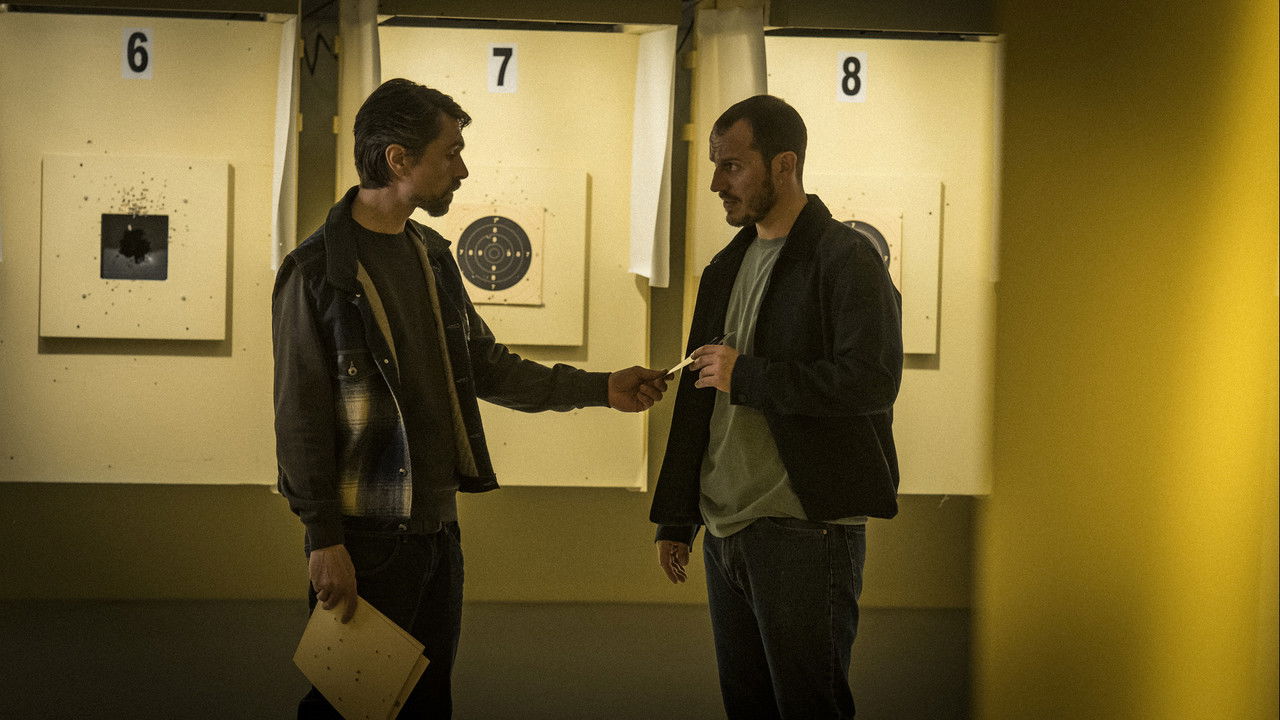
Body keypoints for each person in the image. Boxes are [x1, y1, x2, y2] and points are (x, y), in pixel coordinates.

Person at [272, 78, 667, 718]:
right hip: (365, 540)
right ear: (398, 159)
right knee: (348, 708)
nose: (462, 170)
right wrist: (324, 540)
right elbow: (300, 419)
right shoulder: (318, 270)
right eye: (451, 153)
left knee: (428, 707)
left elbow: (485, 365)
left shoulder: (431, 254)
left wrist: (601, 389)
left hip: (437, 532)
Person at [649, 95, 903, 719]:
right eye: (716, 166)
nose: (717, 183)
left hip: (805, 529)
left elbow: (870, 383)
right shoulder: (725, 266)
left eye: (732, 166)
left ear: (784, 165)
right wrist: (676, 517)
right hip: (725, 529)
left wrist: (749, 376)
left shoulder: (847, 259)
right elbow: (699, 397)